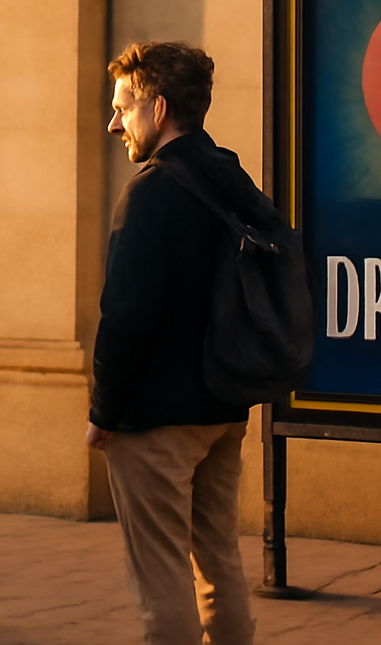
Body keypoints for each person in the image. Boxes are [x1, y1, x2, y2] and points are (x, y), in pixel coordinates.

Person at [87, 41, 261, 645]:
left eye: (122, 108)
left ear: (157, 108)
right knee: (220, 565)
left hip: (155, 419)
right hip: (223, 405)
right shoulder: (231, 176)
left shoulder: (151, 192)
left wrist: (103, 411)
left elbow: (126, 315)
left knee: (161, 577)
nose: (114, 124)